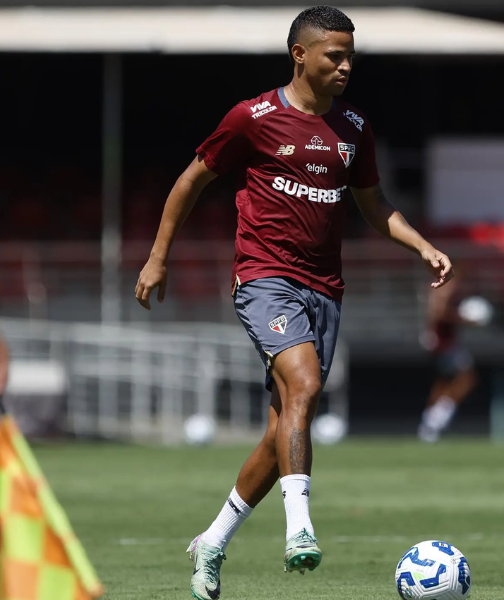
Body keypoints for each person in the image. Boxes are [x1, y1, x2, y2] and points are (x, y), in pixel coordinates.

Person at [134, 6, 454, 599]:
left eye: (351, 55)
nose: (346, 66)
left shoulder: (353, 128)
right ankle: (299, 528)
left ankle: (213, 542)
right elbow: (190, 181)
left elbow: (374, 204)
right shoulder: (252, 118)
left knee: (283, 426)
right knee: (303, 384)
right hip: (264, 278)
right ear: (299, 55)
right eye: (335, 55)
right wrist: (158, 258)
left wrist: (422, 246)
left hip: (325, 288)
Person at [417, 276, 478, 443]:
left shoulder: (444, 293)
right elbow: (439, 314)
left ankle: (430, 422)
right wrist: (465, 320)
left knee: (444, 382)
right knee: (466, 379)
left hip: (444, 344)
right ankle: (437, 417)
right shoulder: (441, 292)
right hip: (444, 346)